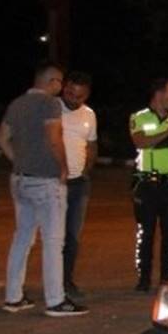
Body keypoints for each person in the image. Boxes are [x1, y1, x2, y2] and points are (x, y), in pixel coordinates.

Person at [0, 61, 88, 316]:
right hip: (45, 180)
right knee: (53, 241)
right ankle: (56, 301)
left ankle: (13, 297)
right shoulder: (49, 104)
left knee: (22, 238)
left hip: (20, 179)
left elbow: (2, 138)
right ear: (50, 81)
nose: (61, 87)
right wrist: (62, 168)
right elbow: (54, 138)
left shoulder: (16, 104)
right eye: (59, 82)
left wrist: (19, 161)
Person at [130, 79, 168, 292]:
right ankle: (144, 278)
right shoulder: (139, 117)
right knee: (146, 232)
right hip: (148, 183)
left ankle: (167, 277)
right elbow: (141, 142)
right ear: (158, 94)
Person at [59, 71, 97, 297]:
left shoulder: (89, 115)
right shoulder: (51, 108)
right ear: (65, 88)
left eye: (80, 97)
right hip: (55, 182)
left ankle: (66, 280)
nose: (74, 99)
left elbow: (92, 145)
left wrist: (86, 170)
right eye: (71, 94)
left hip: (79, 184)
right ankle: (54, 281)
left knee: (72, 237)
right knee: (54, 236)